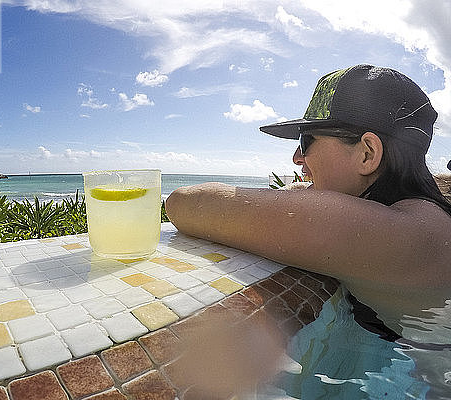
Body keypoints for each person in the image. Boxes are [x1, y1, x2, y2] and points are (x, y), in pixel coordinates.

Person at [166, 64, 451, 339]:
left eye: (306, 141)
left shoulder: (402, 234)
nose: (296, 158)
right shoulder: (423, 215)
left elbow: (185, 204)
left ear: (367, 153)